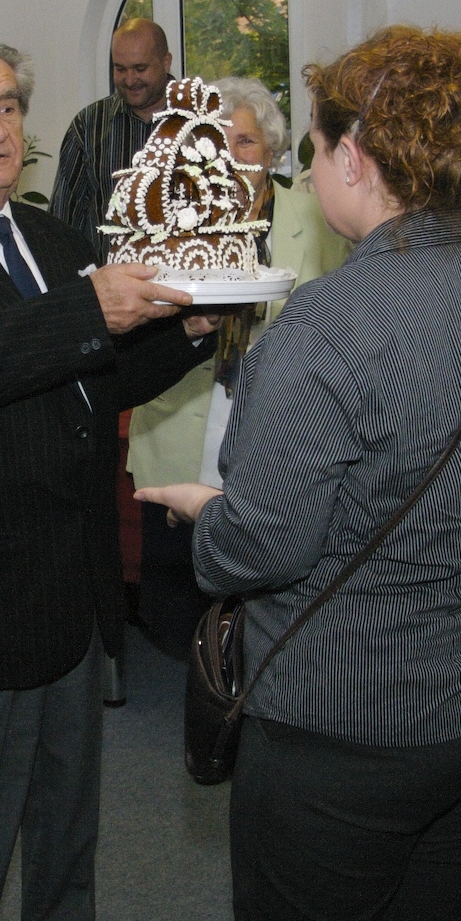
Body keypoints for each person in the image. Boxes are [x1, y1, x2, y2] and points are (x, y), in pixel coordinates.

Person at [139, 25, 461, 921]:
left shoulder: (324, 324)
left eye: (314, 147)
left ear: (354, 155)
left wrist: (206, 519)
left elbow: (261, 547)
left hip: (355, 719)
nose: (307, 172)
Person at [0, 31, 218, 921]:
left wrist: (190, 332)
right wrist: (86, 309)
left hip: (74, 589)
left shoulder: (55, 239)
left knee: (66, 838)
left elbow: (98, 379)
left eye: (9, 106)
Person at [126, 75, 348, 657]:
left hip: (280, 425)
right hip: (181, 418)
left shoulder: (318, 216)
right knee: (180, 601)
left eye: (245, 142)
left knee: (268, 584)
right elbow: (133, 327)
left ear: (272, 152)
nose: (228, 156)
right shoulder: (166, 215)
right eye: (215, 141)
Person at [48, 18, 174, 256]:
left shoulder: (200, 121)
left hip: (187, 275)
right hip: (109, 275)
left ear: (165, 62)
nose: (130, 80)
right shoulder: (88, 125)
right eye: (120, 69)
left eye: (140, 68)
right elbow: (63, 221)